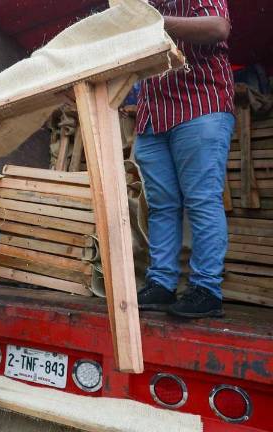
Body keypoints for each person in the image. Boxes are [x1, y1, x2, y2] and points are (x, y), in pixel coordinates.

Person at [134, 0, 234, 318]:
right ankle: (162, 284)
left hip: (199, 106)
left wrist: (156, 23)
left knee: (202, 200)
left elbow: (219, 26)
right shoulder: (140, 5)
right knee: (162, 205)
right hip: (152, 116)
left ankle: (206, 289)